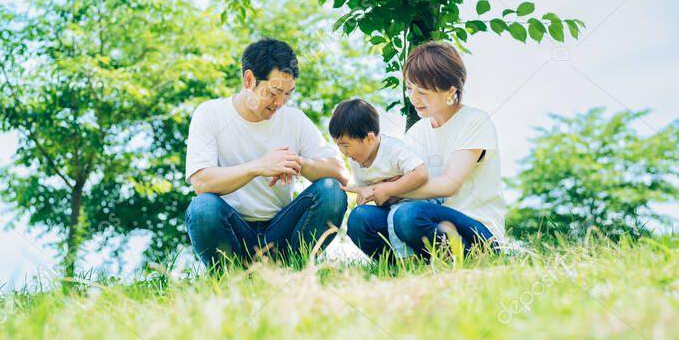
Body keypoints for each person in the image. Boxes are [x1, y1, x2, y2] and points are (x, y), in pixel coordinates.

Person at [184, 38, 348, 269]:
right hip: (233, 230)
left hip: (282, 232)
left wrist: (297, 162)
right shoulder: (210, 114)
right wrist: (258, 166)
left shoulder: (295, 120)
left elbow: (340, 174)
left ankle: (295, 269)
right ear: (249, 80)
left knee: (331, 192)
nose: (280, 102)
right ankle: (229, 275)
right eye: (274, 92)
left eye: (288, 94)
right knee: (202, 208)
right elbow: (201, 183)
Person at [346, 42, 506, 261]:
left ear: (450, 91)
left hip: (476, 230)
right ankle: (406, 266)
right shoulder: (417, 132)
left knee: (408, 215)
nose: (413, 98)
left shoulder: (475, 121)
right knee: (360, 218)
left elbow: (449, 184)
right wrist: (383, 189)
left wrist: (390, 189)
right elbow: (406, 181)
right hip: (426, 222)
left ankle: (472, 258)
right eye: (409, 88)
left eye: (422, 91)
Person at [328, 98, 441, 258]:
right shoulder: (356, 160)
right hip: (391, 207)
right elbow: (371, 192)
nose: (343, 152)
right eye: (338, 145)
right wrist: (366, 195)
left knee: (397, 216)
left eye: (345, 145)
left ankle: (407, 261)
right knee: (360, 215)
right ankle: (390, 263)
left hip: (419, 204)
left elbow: (421, 173)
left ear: (369, 138)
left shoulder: (393, 149)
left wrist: (388, 189)